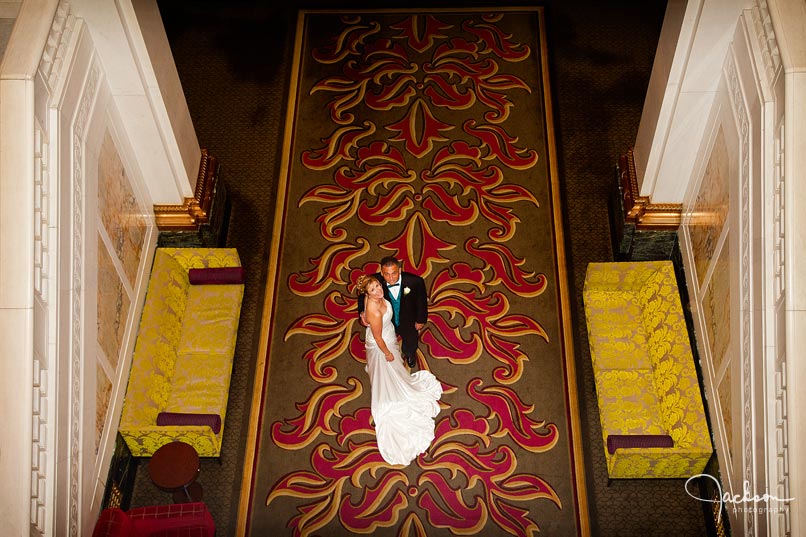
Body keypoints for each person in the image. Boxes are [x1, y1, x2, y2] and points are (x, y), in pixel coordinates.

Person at [355, 274, 442, 466]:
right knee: (388, 369)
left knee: (391, 368)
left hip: (386, 335)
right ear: (367, 294)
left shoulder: (374, 296)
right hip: (381, 343)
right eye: (373, 289)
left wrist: (364, 316)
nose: (379, 290)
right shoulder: (374, 311)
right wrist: (386, 353)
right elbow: (378, 339)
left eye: (378, 285)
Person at [357, 256, 428, 368]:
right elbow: (362, 297)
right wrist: (362, 313)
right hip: (385, 322)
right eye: (386, 274)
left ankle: (409, 354)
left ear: (399, 270)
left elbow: (421, 302)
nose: (390, 278)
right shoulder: (374, 283)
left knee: (410, 339)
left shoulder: (415, 281)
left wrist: (421, 320)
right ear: (381, 273)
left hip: (408, 320)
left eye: (394, 273)